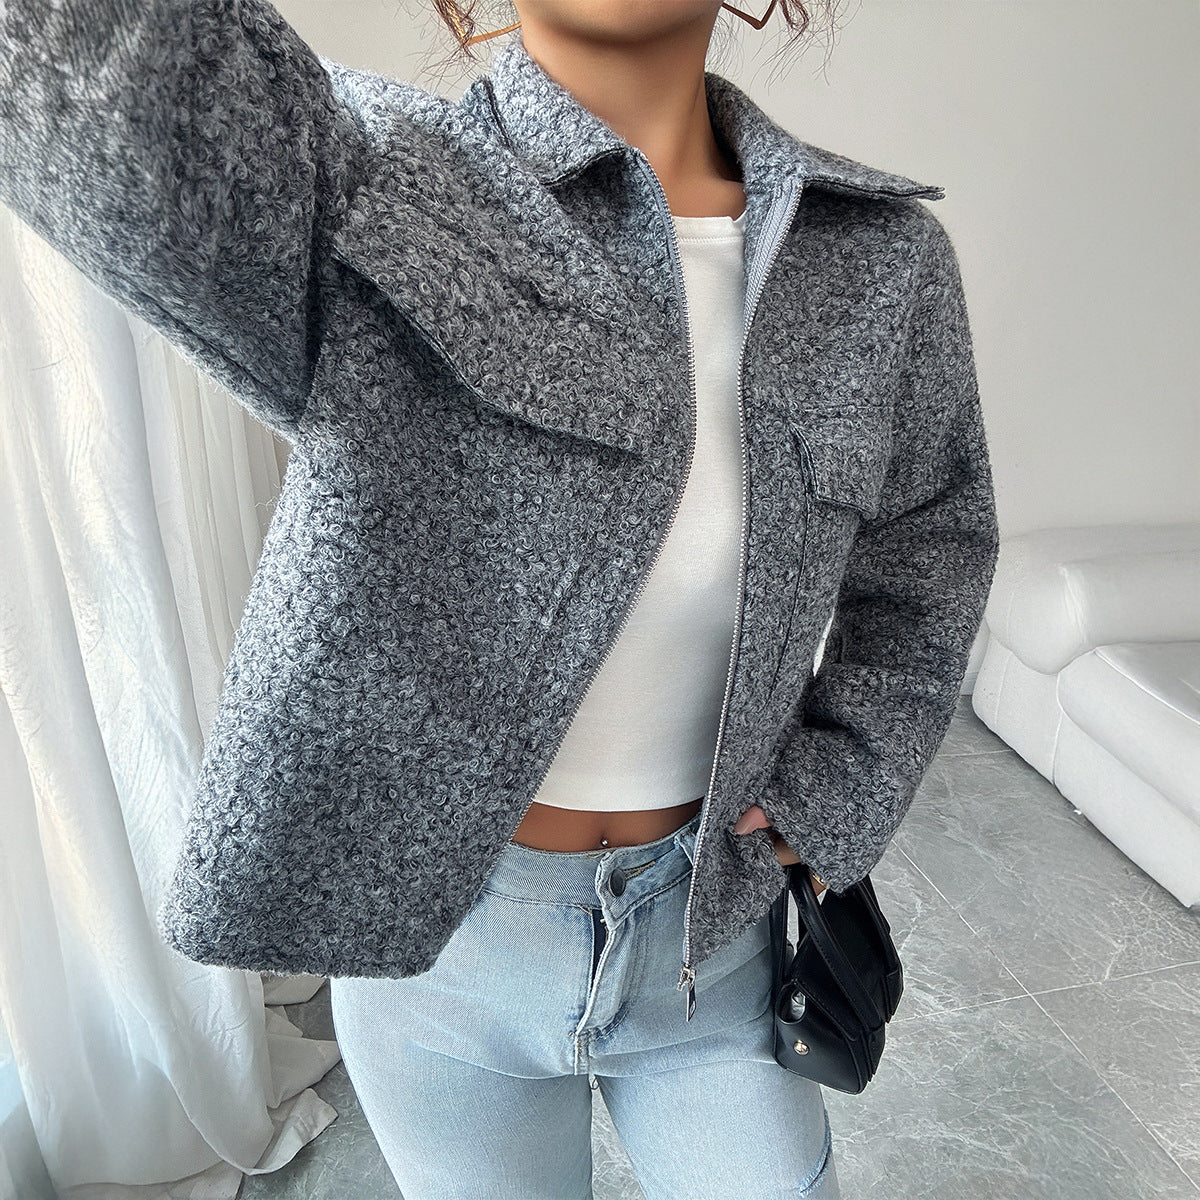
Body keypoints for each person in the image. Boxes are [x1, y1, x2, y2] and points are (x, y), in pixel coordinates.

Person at [1, 0, 1000, 1195]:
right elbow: (103, 79)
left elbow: (935, 547)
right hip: (444, 963)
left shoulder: (878, 261)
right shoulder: (374, 183)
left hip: (712, 945)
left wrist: (834, 790)